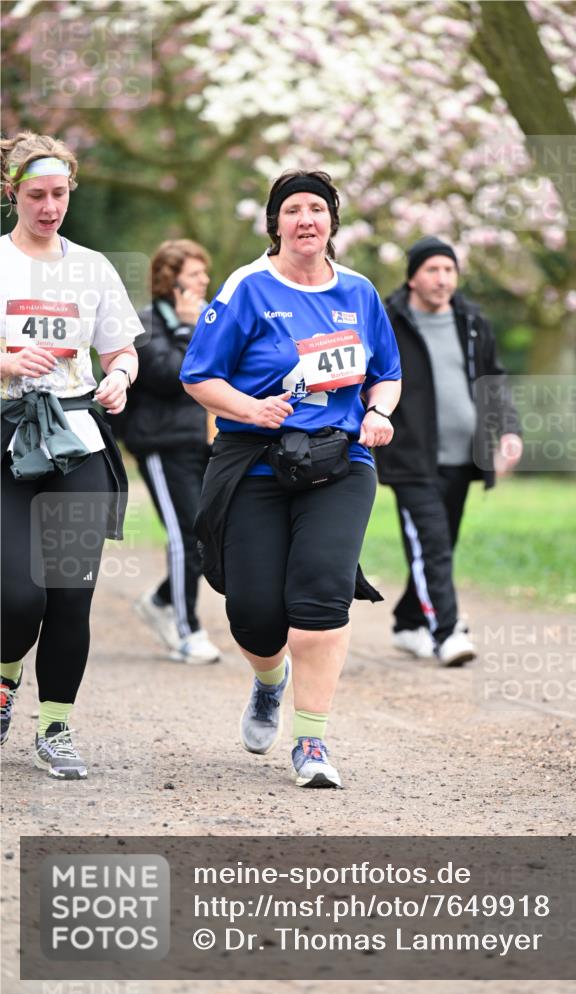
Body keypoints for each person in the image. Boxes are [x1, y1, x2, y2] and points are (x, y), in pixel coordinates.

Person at [180, 169, 401, 789]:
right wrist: (251, 409)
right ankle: (269, 682)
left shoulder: (359, 292)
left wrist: (379, 411)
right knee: (254, 614)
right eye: (293, 210)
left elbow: (386, 371)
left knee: (320, 597)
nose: (306, 220)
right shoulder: (248, 287)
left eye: (317, 209)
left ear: (332, 221)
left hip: (340, 461)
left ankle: (312, 742)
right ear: (274, 222)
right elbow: (199, 376)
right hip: (255, 460)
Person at [0, 131, 140, 778]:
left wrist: (119, 377)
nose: (49, 206)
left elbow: (120, 350)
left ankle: (55, 725)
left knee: (69, 594)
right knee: (17, 596)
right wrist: (4, 359)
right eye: (36, 195)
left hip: (77, 436)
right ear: (11, 193)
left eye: (59, 194)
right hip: (8, 440)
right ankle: (4, 678)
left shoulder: (92, 267)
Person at [375, 236, 523, 666]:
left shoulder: (472, 320)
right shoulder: (389, 321)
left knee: (440, 544)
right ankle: (447, 630)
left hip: (462, 458)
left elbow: (494, 380)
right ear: (412, 277)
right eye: (432, 270)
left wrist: (508, 430)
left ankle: (407, 623)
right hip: (410, 457)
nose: (442, 279)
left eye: (449, 271)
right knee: (433, 543)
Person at [123, 240, 221, 665]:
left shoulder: (208, 320)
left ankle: (162, 600)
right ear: (170, 278)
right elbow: (169, 375)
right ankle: (186, 630)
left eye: (204, 274)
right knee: (186, 533)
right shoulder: (145, 323)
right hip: (162, 445)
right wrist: (186, 328)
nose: (204, 281)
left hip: (205, 444)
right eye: (195, 274)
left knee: (210, 534)